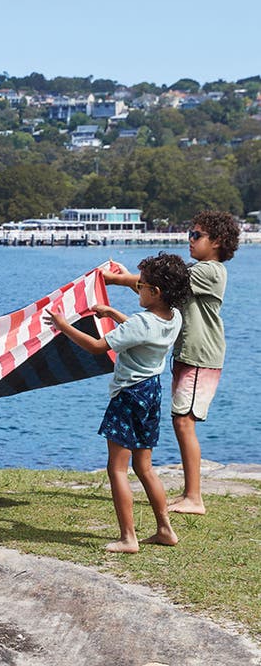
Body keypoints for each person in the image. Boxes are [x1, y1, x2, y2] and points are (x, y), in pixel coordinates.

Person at [45, 253, 190, 554]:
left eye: (141, 284)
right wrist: (112, 314)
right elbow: (141, 334)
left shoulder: (141, 322)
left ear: (156, 292)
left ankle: (128, 538)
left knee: (117, 469)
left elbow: (98, 347)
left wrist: (63, 325)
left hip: (129, 394)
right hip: (152, 392)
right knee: (145, 467)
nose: (138, 288)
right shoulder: (174, 317)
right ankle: (165, 528)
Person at [104, 212, 240, 515]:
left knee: (183, 421)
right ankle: (190, 494)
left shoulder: (212, 271)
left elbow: (164, 281)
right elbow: (159, 291)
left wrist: (116, 279)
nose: (189, 239)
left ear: (216, 242)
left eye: (196, 235)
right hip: (187, 355)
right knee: (181, 420)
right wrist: (130, 281)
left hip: (201, 356)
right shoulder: (197, 273)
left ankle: (194, 497)